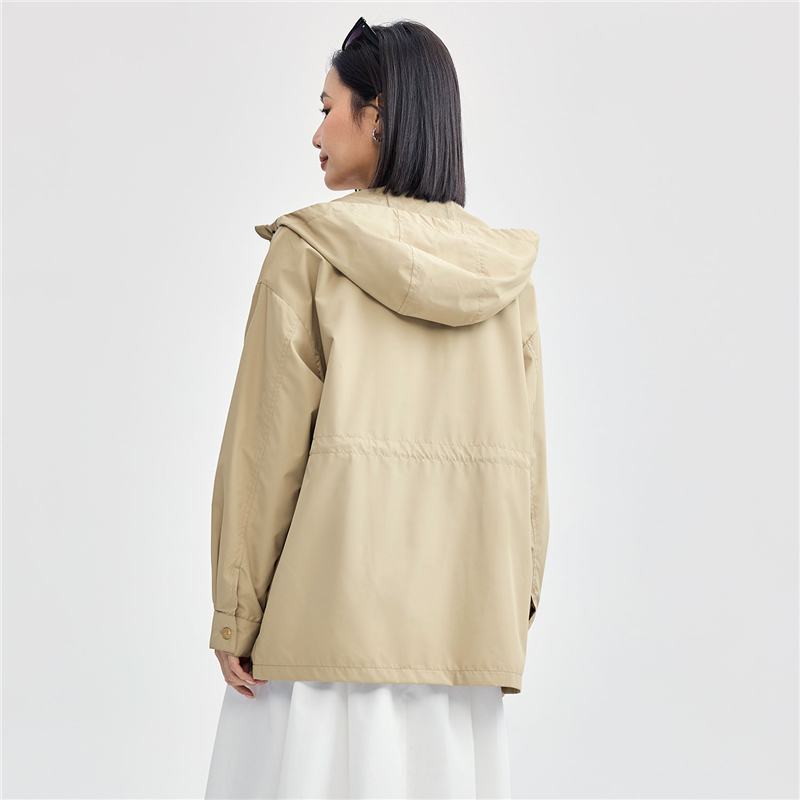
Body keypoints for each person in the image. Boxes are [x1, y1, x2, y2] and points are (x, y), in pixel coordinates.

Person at [204, 16, 550, 800]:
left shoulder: (307, 253)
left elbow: (265, 451)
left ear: (379, 115)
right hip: (460, 653)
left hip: (317, 646)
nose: (316, 132)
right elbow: (529, 475)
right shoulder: (507, 279)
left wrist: (236, 613)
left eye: (329, 107)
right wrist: (511, 608)